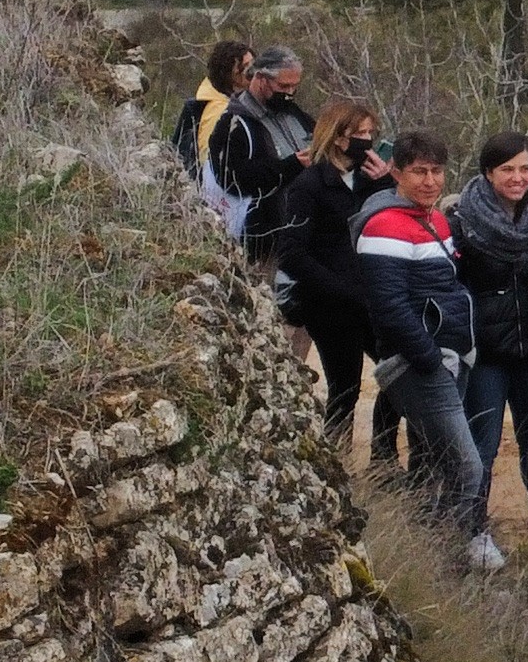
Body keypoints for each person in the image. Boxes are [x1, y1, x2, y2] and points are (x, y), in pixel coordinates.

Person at [357, 131, 493, 571]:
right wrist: (430, 359)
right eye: (419, 171)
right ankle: (455, 553)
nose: (430, 181)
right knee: (465, 465)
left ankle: (419, 551)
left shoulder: (436, 219)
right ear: (396, 172)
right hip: (421, 363)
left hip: (450, 356)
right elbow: (388, 306)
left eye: (437, 171)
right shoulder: (384, 225)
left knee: (431, 460)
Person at [456, 130, 528, 555]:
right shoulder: (463, 218)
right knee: (481, 442)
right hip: (486, 351)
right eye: (507, 169)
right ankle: (474, 530)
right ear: (488, 172)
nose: (518, 177)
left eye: (525, 168)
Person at [265, 98, 389, 456]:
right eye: (360, 133)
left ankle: (383, 456)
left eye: (370, 132)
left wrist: (383, 186)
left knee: (398, 373)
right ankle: (337, 461)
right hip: (328, 305)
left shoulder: (368, 182)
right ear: (338, 137)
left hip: (368, 298)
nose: (367, 140)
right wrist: (340, 288)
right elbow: (293, 252)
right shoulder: (309, 186)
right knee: (345, 387)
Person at [210, 46, 315, 239]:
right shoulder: (233, 125)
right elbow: (233, 180)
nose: (290, 93)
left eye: (294, 86)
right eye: (283, 87)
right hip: (265, 238)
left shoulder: (294, 113)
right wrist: (291, 165)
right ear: (260, 78)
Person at [176, 38, 250, 183]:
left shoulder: (236, 101)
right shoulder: (218, 110)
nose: (253, 70)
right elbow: (208, 161)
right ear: (229, 74)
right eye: (245, 66)